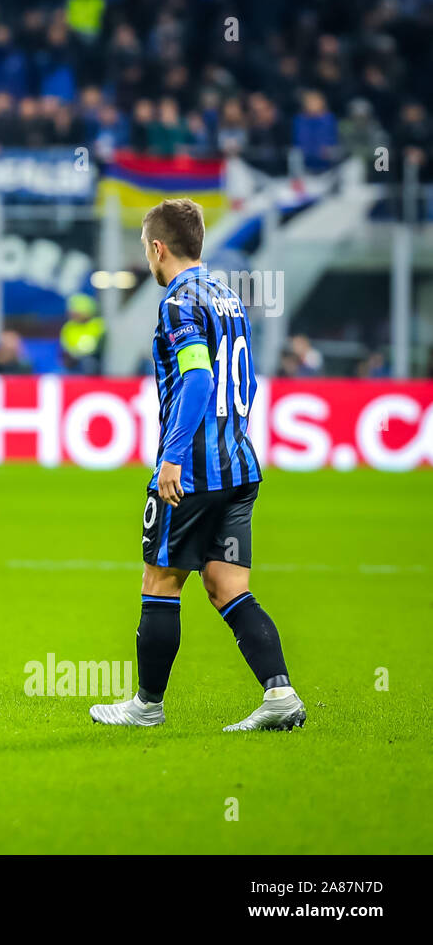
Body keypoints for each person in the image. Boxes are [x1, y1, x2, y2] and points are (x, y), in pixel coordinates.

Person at [90, 198, 305, 732]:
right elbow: (247, 380)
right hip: (239, 465)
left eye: (146, 248)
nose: (147, 257)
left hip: (197, 472)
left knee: (160, 579)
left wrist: (172, 457)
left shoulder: (178, 302)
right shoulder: (228, 297)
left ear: (158, 247)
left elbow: (199, 378)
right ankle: (280, 695)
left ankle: (146, 707)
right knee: (227, 585)